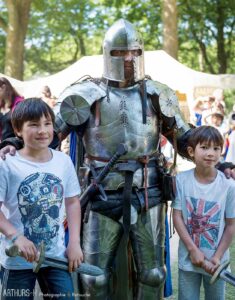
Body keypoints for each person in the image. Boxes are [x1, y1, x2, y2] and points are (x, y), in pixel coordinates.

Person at [0, 19, 235, 300]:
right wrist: (12, 144)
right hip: (99, 193)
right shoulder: (83, 95)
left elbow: (188, 142)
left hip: (149, 194)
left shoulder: (158, 94)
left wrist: (220, 164)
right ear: (106, 54)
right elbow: (47, 135)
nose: (128, 59)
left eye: (134, 52)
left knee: (153, 274)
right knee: (93, 275)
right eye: (119, 53)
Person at [0, 98, 83, 299]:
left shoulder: (63, 162)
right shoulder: (7, 163)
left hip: (56, 257)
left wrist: (74, 242)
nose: (42, 131)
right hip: (17, 259)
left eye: (47, 124)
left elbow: (72, 202)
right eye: (34, 125)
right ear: (18, 130)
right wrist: (16, 236)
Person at [172, 125, 235, 300]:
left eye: (216, 148)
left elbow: (231, 226)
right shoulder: (181, 181)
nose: (211, 153)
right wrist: (193, 250)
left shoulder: (229, 186)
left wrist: (217, 257)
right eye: (204, 147)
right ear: (191, 151)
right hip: (188, 260)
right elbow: (177, 216)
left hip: (217, 264)